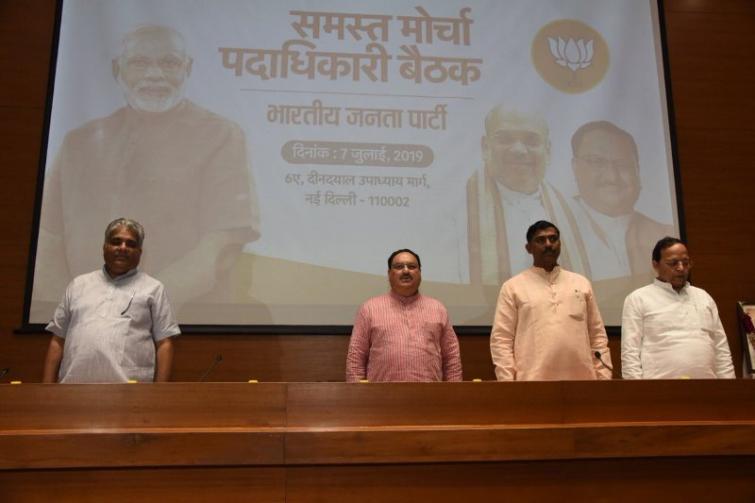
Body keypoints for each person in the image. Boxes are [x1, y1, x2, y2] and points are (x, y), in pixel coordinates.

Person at [33, 24, 259, 319]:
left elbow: (218, 247)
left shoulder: (221, 135)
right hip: (83, 324)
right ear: (117, 70)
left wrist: (133, 310)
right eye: (140, 63)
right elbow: (47, 243)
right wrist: (74, 315)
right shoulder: (79, 141)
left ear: (188, 69)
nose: (155, 74)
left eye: (169, 63)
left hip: (184, 323)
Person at [42, 218, 181, 383]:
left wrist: (159, 393)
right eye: (116, 242)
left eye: (130, 244)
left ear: (139, 252)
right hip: (73, 387)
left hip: (130, 391)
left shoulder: (154, 288)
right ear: (104, 247)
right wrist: (46, 390)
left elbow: (164, 344)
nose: (123, 248)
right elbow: (57, 340)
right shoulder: (78, 285)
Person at [467, 105, 585, 286]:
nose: (519, 150)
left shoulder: (575, 212)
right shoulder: (459, 212)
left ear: (548, 150)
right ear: (485, 146)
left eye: (531, 140)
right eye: (505, 139)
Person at [490, 220, 612, 380]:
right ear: (528, 248)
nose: (548, 244)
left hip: (582, 381)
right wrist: (508, 383)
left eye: (553, 239)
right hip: (532, 383)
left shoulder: (581, 283)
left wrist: (603, 378)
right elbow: (501, 339)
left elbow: (597, 335)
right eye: (540, 240)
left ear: (560, 244)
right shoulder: (513, 287)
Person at [569, 121, 674, 281]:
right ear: (575, 167)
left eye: (623, 165)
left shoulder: (666, 236)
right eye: (597, 162)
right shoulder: (557, 234)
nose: (612, 176)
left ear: (637, 171)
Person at [621, 237, 735, 379]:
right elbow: (630, 352)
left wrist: (728, 386)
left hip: (708, 386)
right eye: (673, 263)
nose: (681, 268)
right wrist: (637, 390)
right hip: (659, 388)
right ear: (655, 265)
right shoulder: (638, 298)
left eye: (685, 263)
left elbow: (721, 348)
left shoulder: (703, 297)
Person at [345, 249, 463, 382]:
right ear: (389, 273)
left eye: (412, 267)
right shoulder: (369, 309)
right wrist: (357, 393)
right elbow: (356, 357)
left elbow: (451, 357)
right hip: (382, 393)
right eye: (399, 267)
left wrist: (455, 391)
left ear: (420, 272)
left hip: (429, 393)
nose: (406, 271)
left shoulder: (438, 309)